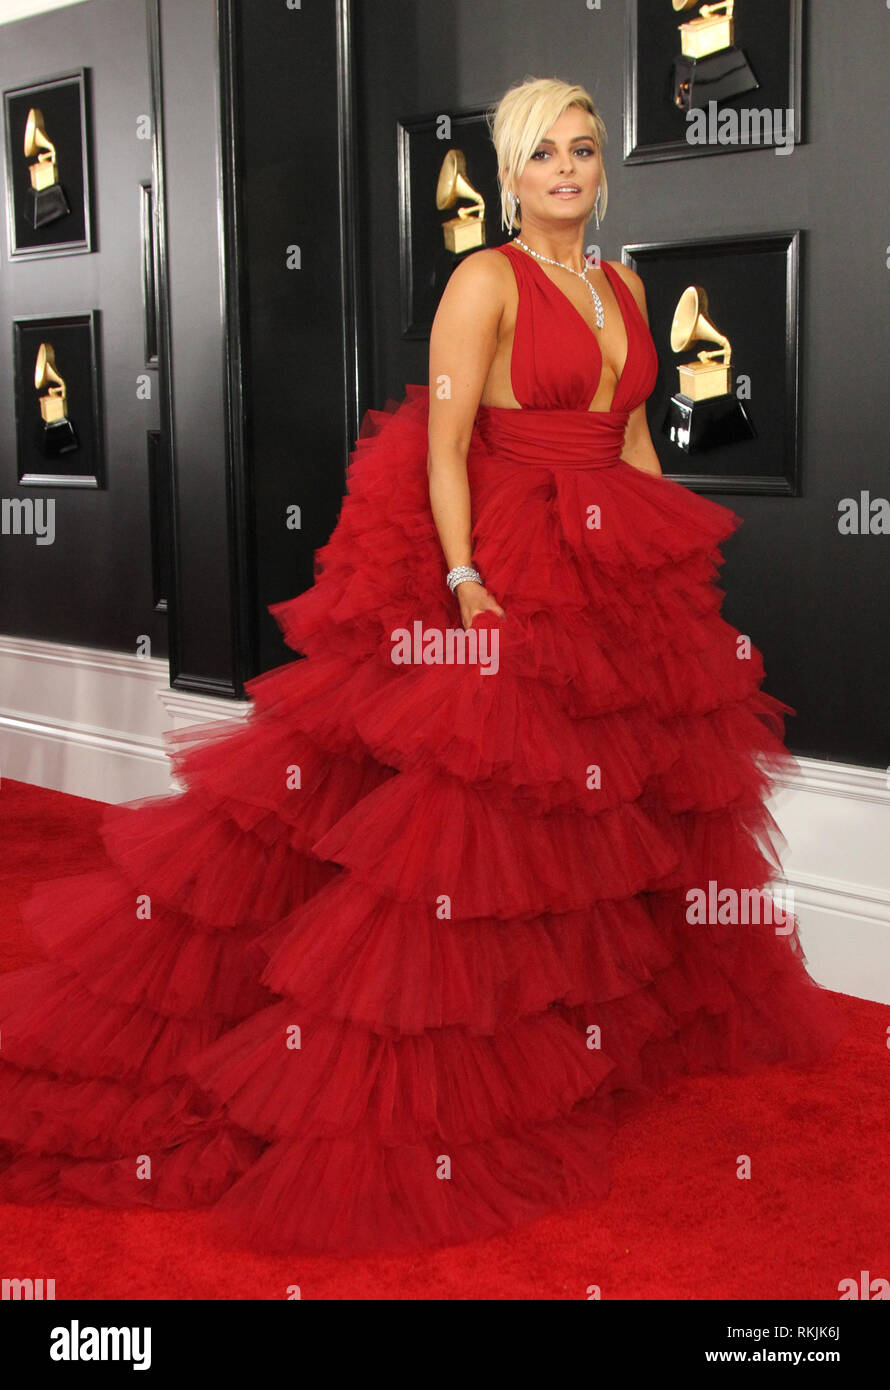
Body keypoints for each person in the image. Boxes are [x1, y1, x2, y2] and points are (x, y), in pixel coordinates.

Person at [0, 77, 845, 1256]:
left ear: (604, 169)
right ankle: (441, 1068)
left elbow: (639, 435)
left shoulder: (623, 284)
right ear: (508, 173)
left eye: (584, 152)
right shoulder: (481, 280)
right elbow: (446, 444)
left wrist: (671, 572)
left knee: (600, 811)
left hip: (614, 564)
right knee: (474, 821)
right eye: (542, 153)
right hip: (511, 556)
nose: (564, 171)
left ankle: (580, 1030)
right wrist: (463, 582)